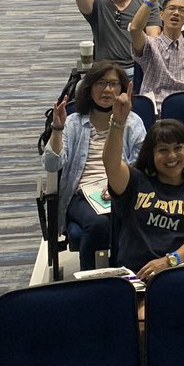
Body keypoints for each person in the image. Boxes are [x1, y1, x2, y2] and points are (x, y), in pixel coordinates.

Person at [103, 87, 184, 281]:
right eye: (163, 150)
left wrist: (170, 261)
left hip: (181, 273)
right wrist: (118, 122)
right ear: (151, 154)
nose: (172, 156)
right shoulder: (135, 180)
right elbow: (111, 163)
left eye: (178, 148)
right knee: (144, 312)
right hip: (138, 275)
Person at [42, 60, 145, 270]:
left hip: (120, 191)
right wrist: (57, 128)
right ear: (89, 89)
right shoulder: (74, 122)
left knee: (121, 220)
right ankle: (90, 280)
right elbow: (52, 165)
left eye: (114, 84)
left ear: (122, 89)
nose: (107, 90)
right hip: (82, 194)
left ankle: (124, 277)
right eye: (101, 83)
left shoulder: (132, 122)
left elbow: (141, 163)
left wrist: (117, 184)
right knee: (99, 224)